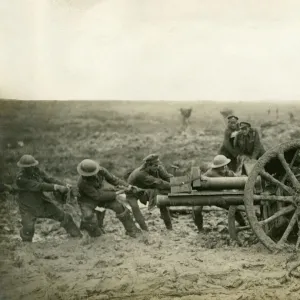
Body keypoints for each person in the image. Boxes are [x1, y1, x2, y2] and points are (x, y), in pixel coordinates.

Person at [15, 154, 82, 242]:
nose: (31, 168)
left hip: (42, 202)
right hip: (27, 207)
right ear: (23, 167)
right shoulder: (20, 179)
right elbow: (39, 186)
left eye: (32, 166)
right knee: (28, 229)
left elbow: (49, 179)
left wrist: (64, 185)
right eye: (28, 167)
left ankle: (77, 236)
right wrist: (55, 187)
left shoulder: (36, 171)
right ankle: (26, 245)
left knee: (64, 216)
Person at [76, 159, 141, 238]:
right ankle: (94, 235)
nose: (93, 175)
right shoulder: (82, 183)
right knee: (88, 217)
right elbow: (98, 196)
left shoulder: (101, 170)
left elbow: (113, 180)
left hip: (102, 194)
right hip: (87, 201)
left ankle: (132, 230)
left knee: (119, 207)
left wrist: (127, 186)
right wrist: (118, 192)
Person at [192, 155, 245, 231]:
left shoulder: (226, 172)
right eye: (223, 166)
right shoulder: (210, 173)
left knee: (232, 206)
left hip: (218, 195)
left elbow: (236, 178)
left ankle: (243, 224)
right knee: (196, 210)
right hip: (205, 194)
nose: (225, 167)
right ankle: (200, 228)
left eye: (225, 165)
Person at [127, 154, 176, 230]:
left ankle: (169, 228)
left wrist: (177, 182)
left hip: (147, 189)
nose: (158, 167)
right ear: (148, 166)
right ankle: (144, 230)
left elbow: (167, 177)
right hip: (132, 192)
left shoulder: (158, 167)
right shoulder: (140, 173)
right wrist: (174, 186)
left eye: (158, 165)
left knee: (162, 202)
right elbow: (158, 183)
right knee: (135, 208)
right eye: (155, 166)